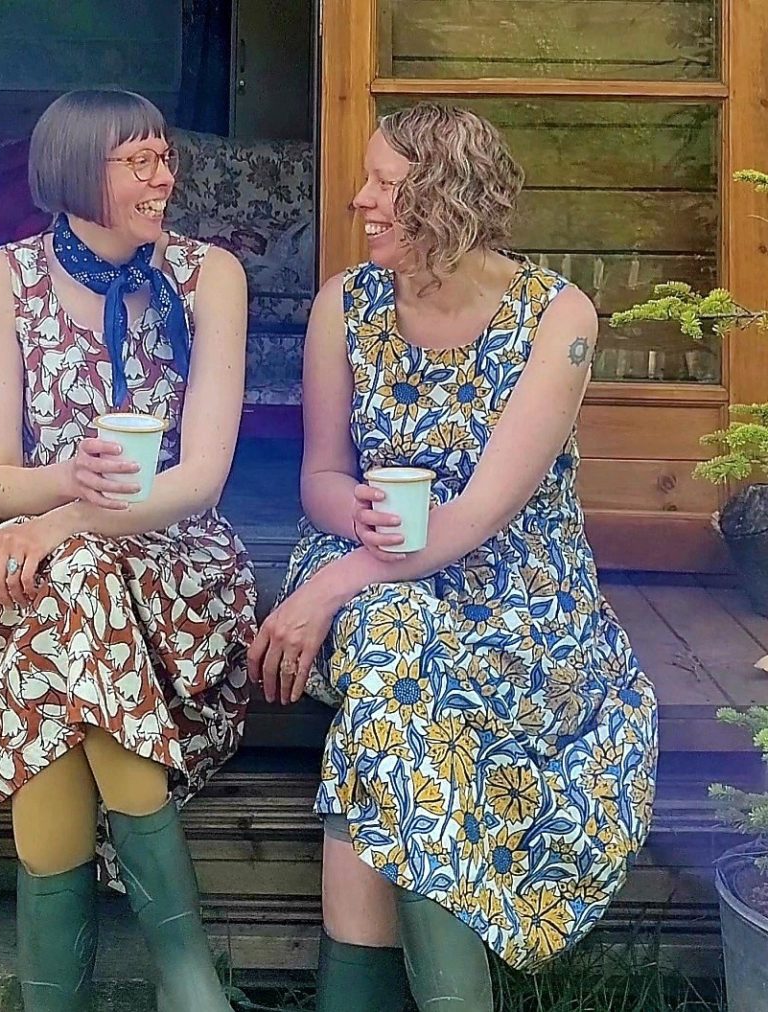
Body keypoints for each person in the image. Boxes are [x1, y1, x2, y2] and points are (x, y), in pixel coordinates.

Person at [249, 102, 658, 1011]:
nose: (360, 200)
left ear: (450, 199)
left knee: (393, 689)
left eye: (387, 185)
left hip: (517, 591)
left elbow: (477, 513)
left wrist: (325, 590)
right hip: (374, 570)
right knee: (397, 637)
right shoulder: (344, 305)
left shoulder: (556, 315)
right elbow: (319, 474)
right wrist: (345, 511)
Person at [0, 89, 256, 1012]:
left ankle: (62, 998)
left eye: (164, 156)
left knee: (73, 587)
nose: (164, 177)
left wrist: (66, 523)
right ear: (74, 170)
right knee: (66, 603)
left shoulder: (208, 274)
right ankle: (188, 980)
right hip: (24, 557)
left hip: (174, 566)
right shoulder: (2, 280)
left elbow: (202, 478)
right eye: (138, 161)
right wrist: (70, 484)